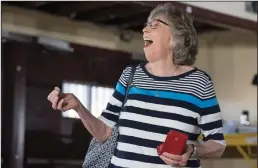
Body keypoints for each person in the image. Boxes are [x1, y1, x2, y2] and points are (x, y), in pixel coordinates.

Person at [47, 3, 226, 168]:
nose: (144, 30)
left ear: (175, 38)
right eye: (146, 25)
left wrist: (192, 151)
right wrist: (78, 107)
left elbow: (217, 145)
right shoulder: (130, 75)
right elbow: (103, 132)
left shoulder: (199, 83)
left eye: (154, 25)